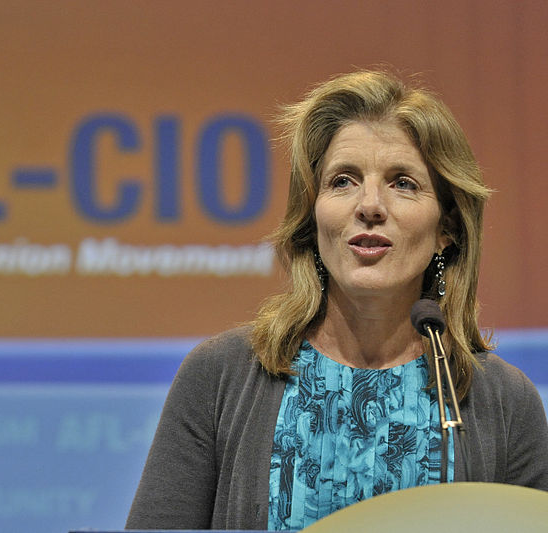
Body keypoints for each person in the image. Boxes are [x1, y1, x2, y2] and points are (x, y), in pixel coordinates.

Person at [125, 70, 548, 530]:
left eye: (402, 182)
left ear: (446, 228)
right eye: (343, 181)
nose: (369, 205)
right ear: (312, 217)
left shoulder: (504, 402)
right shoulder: (221, 377)